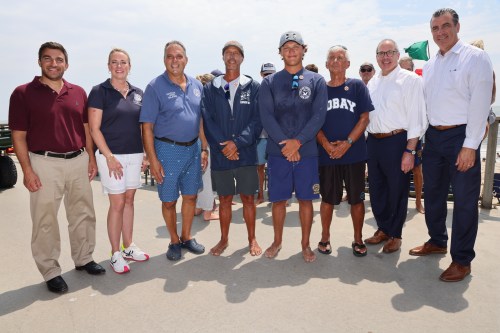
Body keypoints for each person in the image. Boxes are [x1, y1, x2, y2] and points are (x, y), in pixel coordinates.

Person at [9, 42, 105, 293]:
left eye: (59, 59)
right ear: (40, 62)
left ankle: (84, 258)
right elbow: (18, 135)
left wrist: (91, 158)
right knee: (45, 220)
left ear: (67, 63)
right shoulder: (22, 93)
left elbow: (85, 129)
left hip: (78, 160)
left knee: (83, 213)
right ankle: (50, 271)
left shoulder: (78, 92)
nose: (54, 64)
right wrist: (27, 170)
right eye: (48, 59)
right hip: (43, 163)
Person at [409, 8, 494, 282]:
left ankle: (462, 260)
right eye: (435, 28)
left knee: (465, 202)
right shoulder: (432, 65)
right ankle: (437, 241)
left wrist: (470, 145)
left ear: (457, 27)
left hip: (461, 137)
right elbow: (426, 105)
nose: (440, 32)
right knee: (433, 195)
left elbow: (481, 102)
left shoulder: (475, 57)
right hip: (434, 137)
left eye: (445, 26)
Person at [259, 31, 327, 262]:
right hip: (278, 152)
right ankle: (277, 242)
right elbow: (266, 116)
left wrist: (297, 142)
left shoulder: (316, 80)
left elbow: (319, 116)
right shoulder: (269, 82)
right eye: (286, 47)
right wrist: (285, 144)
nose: (291, 51)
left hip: (307, 151)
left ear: (303, 49)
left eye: (295, 46)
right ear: (280, 52)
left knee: (306, 200)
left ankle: (305, 245)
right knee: (278, 200)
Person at [140, 40, 207, 261]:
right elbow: (147, 127)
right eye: (170, 56)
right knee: (169, 200)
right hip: (166, 150)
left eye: (179, 56)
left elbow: (200, 122)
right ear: (164, 60)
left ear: (186, 60)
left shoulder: (197, 86)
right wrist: (152, 158)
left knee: (190, 197)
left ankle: (187, 237)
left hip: (193, 150)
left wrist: (204, 149)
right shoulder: (155, 87)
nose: (174, 60)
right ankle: (174, 240)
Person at [88, 48, 149, 274]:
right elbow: (94, 129)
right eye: (114, 62)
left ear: (129, 66)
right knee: (118, 203)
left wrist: (145, 154)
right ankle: (115, 253)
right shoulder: (99, 91)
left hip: (134, 155)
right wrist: (109, 156)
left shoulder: (138, 92)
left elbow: (143, 128)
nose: (119, 66)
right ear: (109, 66)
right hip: (110, 156)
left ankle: (128, 246)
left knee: (130, 200)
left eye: (123, 62)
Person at [364, 39, 427, 254]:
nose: (385, 57)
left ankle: (396, 235)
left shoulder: (410, 80)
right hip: (373, 141)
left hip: (397, 141)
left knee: (397, 190)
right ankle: (383, 228)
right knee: (377, 189)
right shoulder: (372, 82)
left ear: (398, 55)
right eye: (381, 53)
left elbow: (417, 118)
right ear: (376, 57)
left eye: (390, 52)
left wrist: (410, 150)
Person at [201, 41, 262, 256]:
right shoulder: (210, 88)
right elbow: (207, 119)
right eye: (228, 53)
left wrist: (237, 143)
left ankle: (252, 239)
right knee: (225, 199)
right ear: (223, 57)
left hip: (245, 153)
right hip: (220, 154)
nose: (232, 57)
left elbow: (257, 119)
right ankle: (224, 239)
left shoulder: (253, 86)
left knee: (247, 198)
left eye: (236, 53)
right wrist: (225, 145)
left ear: (242, 58)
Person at [316, 45, 373, 257]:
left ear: (348, 64)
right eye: (332, 57)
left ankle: (358, 239)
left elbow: (365, 118)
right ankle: (325, 237)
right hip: (327, 154)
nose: (337, 61)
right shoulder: (320, 89)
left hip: (354, 154)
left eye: (341, 58)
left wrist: (346, 143)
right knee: (328, 199)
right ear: (327, 64)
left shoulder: (357, 86)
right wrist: (328, 145)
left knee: (357, 199)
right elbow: (314, 123)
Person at [399, 56, 425, 214]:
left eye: (408, 69)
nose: (405, 73)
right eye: (402, 70)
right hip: (398, 135)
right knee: (397, 170)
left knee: (416, 170)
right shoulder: (394, 84)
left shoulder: (419, 83)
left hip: (415, 133)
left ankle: (418, 201)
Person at [194, 73, 219, 221]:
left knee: (200, 177)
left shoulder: (197, 101)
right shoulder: (207, 102)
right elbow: (201, 126)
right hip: (205, 144)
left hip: (196, 144)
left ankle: (198, 207)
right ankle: (208, 212)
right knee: (207, 178)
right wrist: (205, 146)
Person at [256, 62, 277, 205]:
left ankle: (274, 194)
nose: (268, 76)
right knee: (259, 168)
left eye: (271, 74)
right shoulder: (256, 91)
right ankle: (260, 195)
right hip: (260, 137)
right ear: (261, 75)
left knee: (275, 167)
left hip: (276, 138)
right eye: (265, 74)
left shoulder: (281, 90)